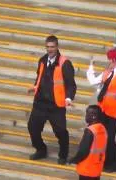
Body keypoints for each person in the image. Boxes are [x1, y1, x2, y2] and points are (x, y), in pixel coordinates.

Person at [27, 35, 77, 165]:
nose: (50, 49)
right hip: (40, 103)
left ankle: (63, 154)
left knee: (60, 131)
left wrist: (68, 97)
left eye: (52, 47)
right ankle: (41, 149)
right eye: (48, 47)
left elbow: (71, 84)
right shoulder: (42, 60)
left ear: (57, 47)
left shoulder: (65, 63)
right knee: (32, 127)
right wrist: (35, 87)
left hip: (56, 105)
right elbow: (39, 77)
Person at [86, 42, 116, 172]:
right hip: (104, 110)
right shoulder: (107, 73)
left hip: (115, 112)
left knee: (110, 138)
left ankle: (114, 162)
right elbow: (93, 81)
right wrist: (91, 68)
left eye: (111, 60)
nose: (109, 62)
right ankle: (107, 161)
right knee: (103, 137)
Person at [69, 105, 107, 180]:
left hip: (87, 168)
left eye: (87, 113)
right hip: (97, 167)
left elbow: (83, 151)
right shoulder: (102, 128)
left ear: (94, 116)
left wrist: (74, 160)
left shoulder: (90, 131)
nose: (86, 116)